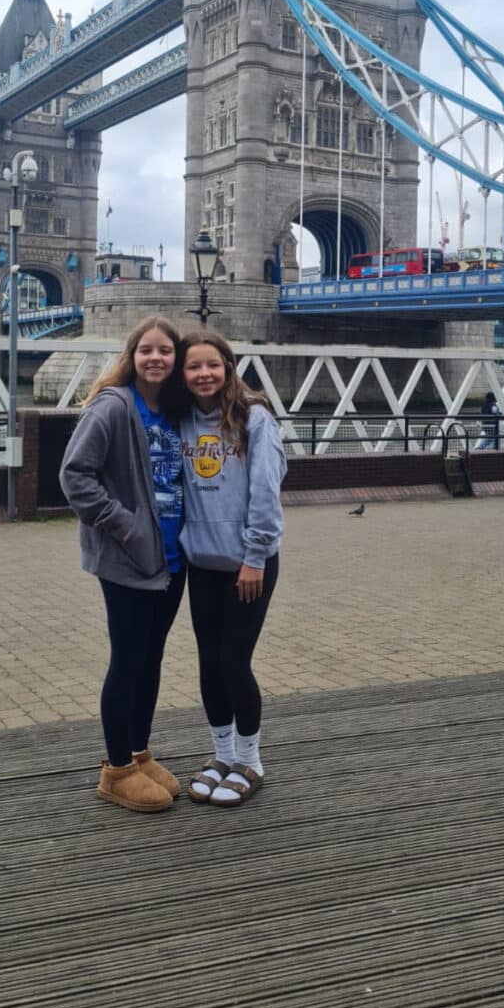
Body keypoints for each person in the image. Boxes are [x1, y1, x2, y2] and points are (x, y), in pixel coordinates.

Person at [59, 317, 185, 813]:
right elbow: (75, 476)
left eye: (166, 351)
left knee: (151, 662)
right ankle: (115, 771)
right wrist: (123, 524)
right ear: (132, 356)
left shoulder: (175, 411)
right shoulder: (112, 408)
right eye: (147, 350)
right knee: (128, 661)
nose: (156, 358)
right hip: (128, 557)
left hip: (173, 559)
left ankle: (139, 753)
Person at [177, 330, 287, 807]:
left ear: (228, 367)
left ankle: (250, 761)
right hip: (201, 562)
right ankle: (221, 755)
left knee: (233, 662)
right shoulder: (179, 419)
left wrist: (255, 555)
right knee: (207, 662)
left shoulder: (254, 418)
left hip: (248, 564)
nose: (204, 374)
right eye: (193, 366)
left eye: (212, 365)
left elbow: (265, 489)